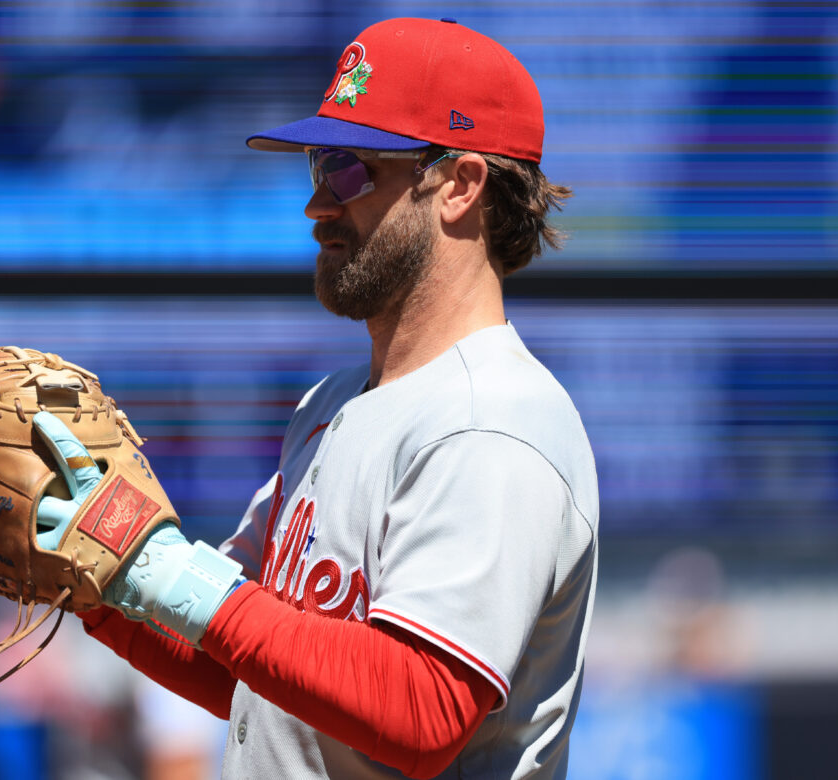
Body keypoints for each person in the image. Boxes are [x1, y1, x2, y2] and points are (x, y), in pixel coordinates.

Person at [37, 16, 598, 779]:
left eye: (350, 169)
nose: (318, 205)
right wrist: (99, 581)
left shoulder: (491, 423)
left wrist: (172, 577)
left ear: (460, 186)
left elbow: (422, 709)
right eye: (317, 167)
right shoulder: (332, 403)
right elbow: (249, 671)